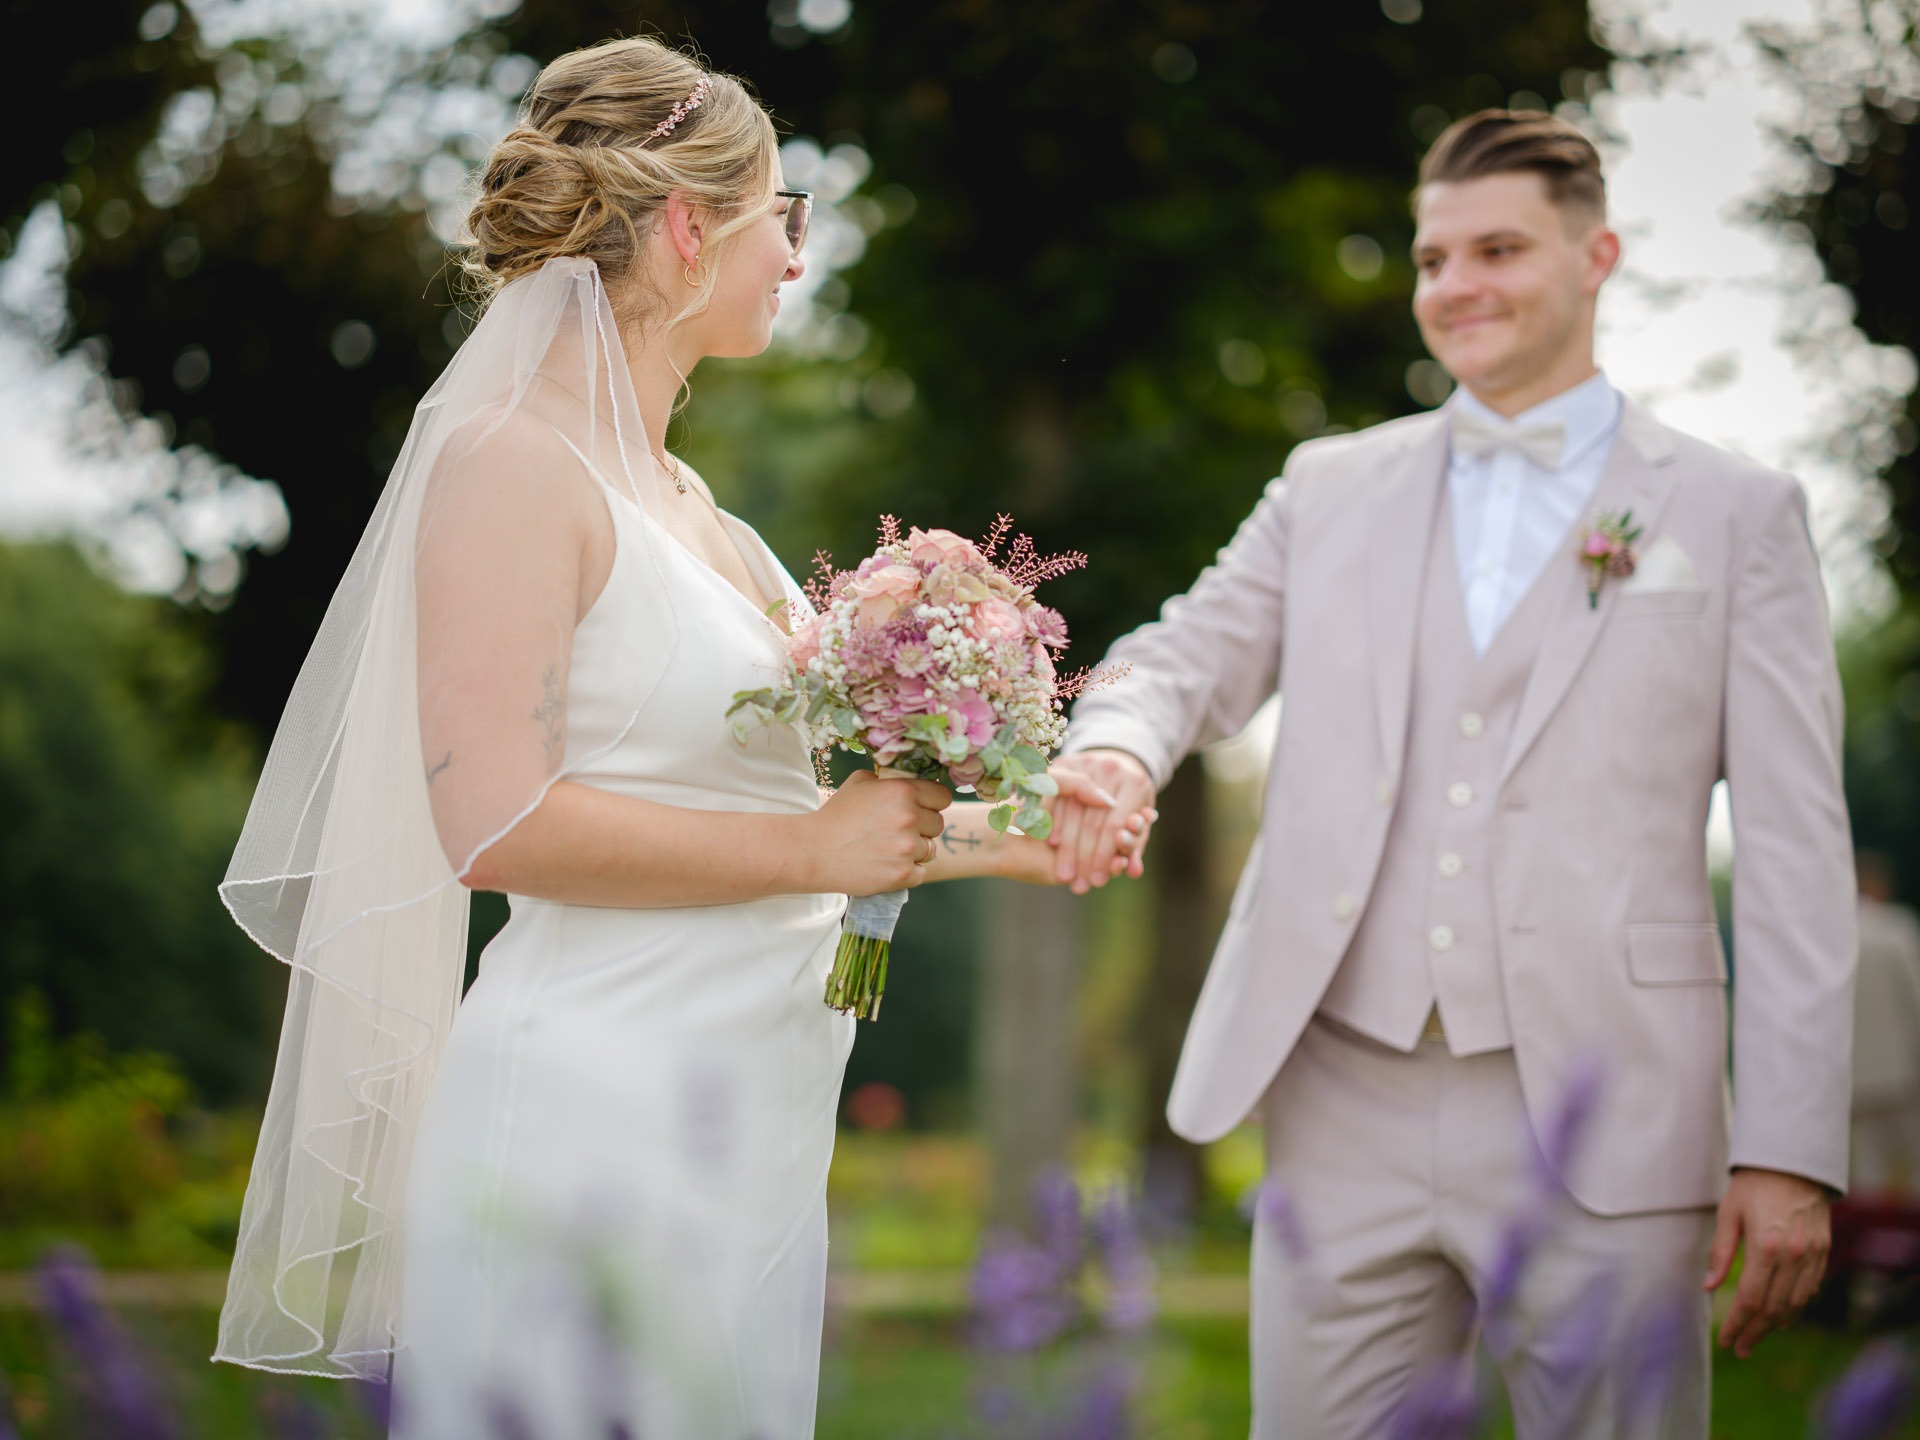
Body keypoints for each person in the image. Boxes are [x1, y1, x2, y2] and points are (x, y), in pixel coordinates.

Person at [209, 38, 1134, 1439]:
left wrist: (1013, 830)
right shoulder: (513, 465)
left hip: (746, 1134)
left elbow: (806, 830)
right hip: (593, 1119)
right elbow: (496, 826)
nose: (797, 257)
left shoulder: (702, 511)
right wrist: (812, 842)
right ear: (694, 227)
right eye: (785, 218)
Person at [1051, 110, 1857, 1437]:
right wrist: (1116, 746)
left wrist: (1787, 1147)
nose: (1456, 286)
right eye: (1433, 259)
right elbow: (1184, 654)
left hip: (1616, 1104)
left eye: (1498, 249)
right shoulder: (1328, 486)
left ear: (1596, 257)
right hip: (1342, 1089)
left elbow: (1793, 850)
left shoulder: (1733, 510)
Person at [1850, 851, 1920, 1195]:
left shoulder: (1835, 938)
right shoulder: (1898, 928)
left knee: (1869, 1180)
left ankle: (1873, 1248)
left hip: (1857, 1079)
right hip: (1905, 1076)